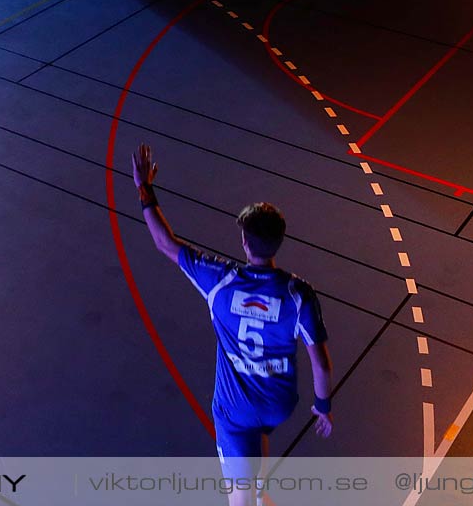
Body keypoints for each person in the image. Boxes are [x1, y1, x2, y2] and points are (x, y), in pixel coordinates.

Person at [131, 145, 331, 505]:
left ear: (244, 242)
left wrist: (144, 188)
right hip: (279, 403)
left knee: (236, 494)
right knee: (258, 438)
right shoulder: (298, 294)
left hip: (235, 409)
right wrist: (323, 406)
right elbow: (321, 363)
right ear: (278, 243)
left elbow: (164, 242)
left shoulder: (220, 282)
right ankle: (254, 487)